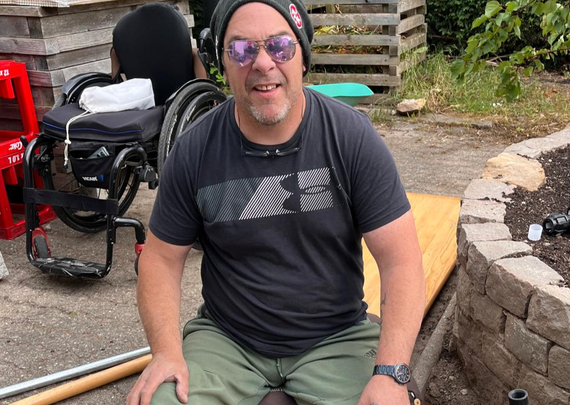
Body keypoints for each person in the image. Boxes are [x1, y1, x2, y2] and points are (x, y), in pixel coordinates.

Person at [126, 0, 425, 404]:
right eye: (241, 49)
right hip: (228, 341)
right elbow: (160, 260)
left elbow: (401, 261)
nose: (263, 63)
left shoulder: (351, 138)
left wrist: (391, 371)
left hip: (335, 338)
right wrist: (165, 352)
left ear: (303, 57)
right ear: (222, 63)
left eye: (280, 46)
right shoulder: (194, 149)